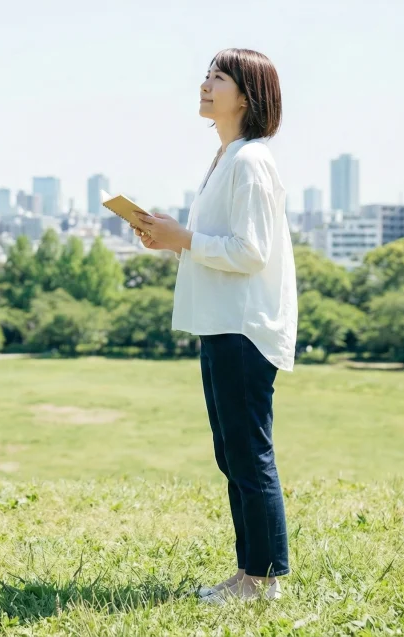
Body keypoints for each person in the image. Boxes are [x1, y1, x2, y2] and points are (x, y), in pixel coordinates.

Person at [132, 48, 297, 603]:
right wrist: (172, 239)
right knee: (233, 453)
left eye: (218, 77)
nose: (205, 84)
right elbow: (219, 247)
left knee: (249, 453)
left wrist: (185, 239)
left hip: (243, 327)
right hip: (223, 322)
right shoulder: (227, 157)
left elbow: (251, 252)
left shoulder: (250, 161)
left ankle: (263, 581)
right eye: (205, 74)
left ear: (247, 96)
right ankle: (249, 574)